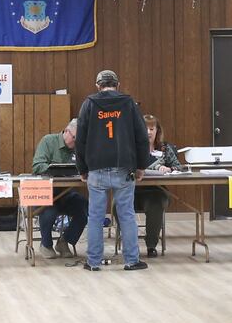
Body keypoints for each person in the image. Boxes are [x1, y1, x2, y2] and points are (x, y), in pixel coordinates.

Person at [75, 70, 149, 271]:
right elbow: (142, 137)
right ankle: (132, 260)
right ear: (117, 84)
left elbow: (79, 140)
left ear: (97, 85)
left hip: (96, 169)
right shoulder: (128, 104)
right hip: (123, 168)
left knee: (96, 217)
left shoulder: (89, 104)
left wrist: (82, 168)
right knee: (126, 215)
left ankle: (93, 262)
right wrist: (142, 166)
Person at [31, 119, 89, 258]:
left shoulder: (78, 148)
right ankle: (46, 244)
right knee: (49, 211)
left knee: (84, 208)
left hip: (66, 193)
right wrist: (56, 169)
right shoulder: (48, 141)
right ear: (67, 131)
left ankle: (65, 241)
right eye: (74, 139)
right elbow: (37, 166)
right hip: (45, 193)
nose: (76, 143)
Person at [136, 114, 183, 257]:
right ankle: (130, 245)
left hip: (156, 191)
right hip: (132, 191)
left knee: (156, 204)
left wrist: (169, 169)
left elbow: (178, 167)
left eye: (152, 128)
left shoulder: (164, 148)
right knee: (118, 205)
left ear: (157, 131)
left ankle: (151, 245)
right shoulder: (132, 147)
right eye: (145, 129)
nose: (149, 132)